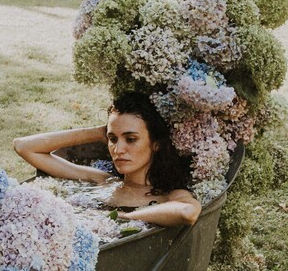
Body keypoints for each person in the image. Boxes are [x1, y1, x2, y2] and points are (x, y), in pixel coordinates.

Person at [13, 91, 201, 228]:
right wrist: (97, 133)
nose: (118, 150)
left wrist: (122, 217)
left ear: (155, 144)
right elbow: (24, 147)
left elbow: (188, 212)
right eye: (113, 139)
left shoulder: (169, 195)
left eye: (130, 139)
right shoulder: (102, 180)